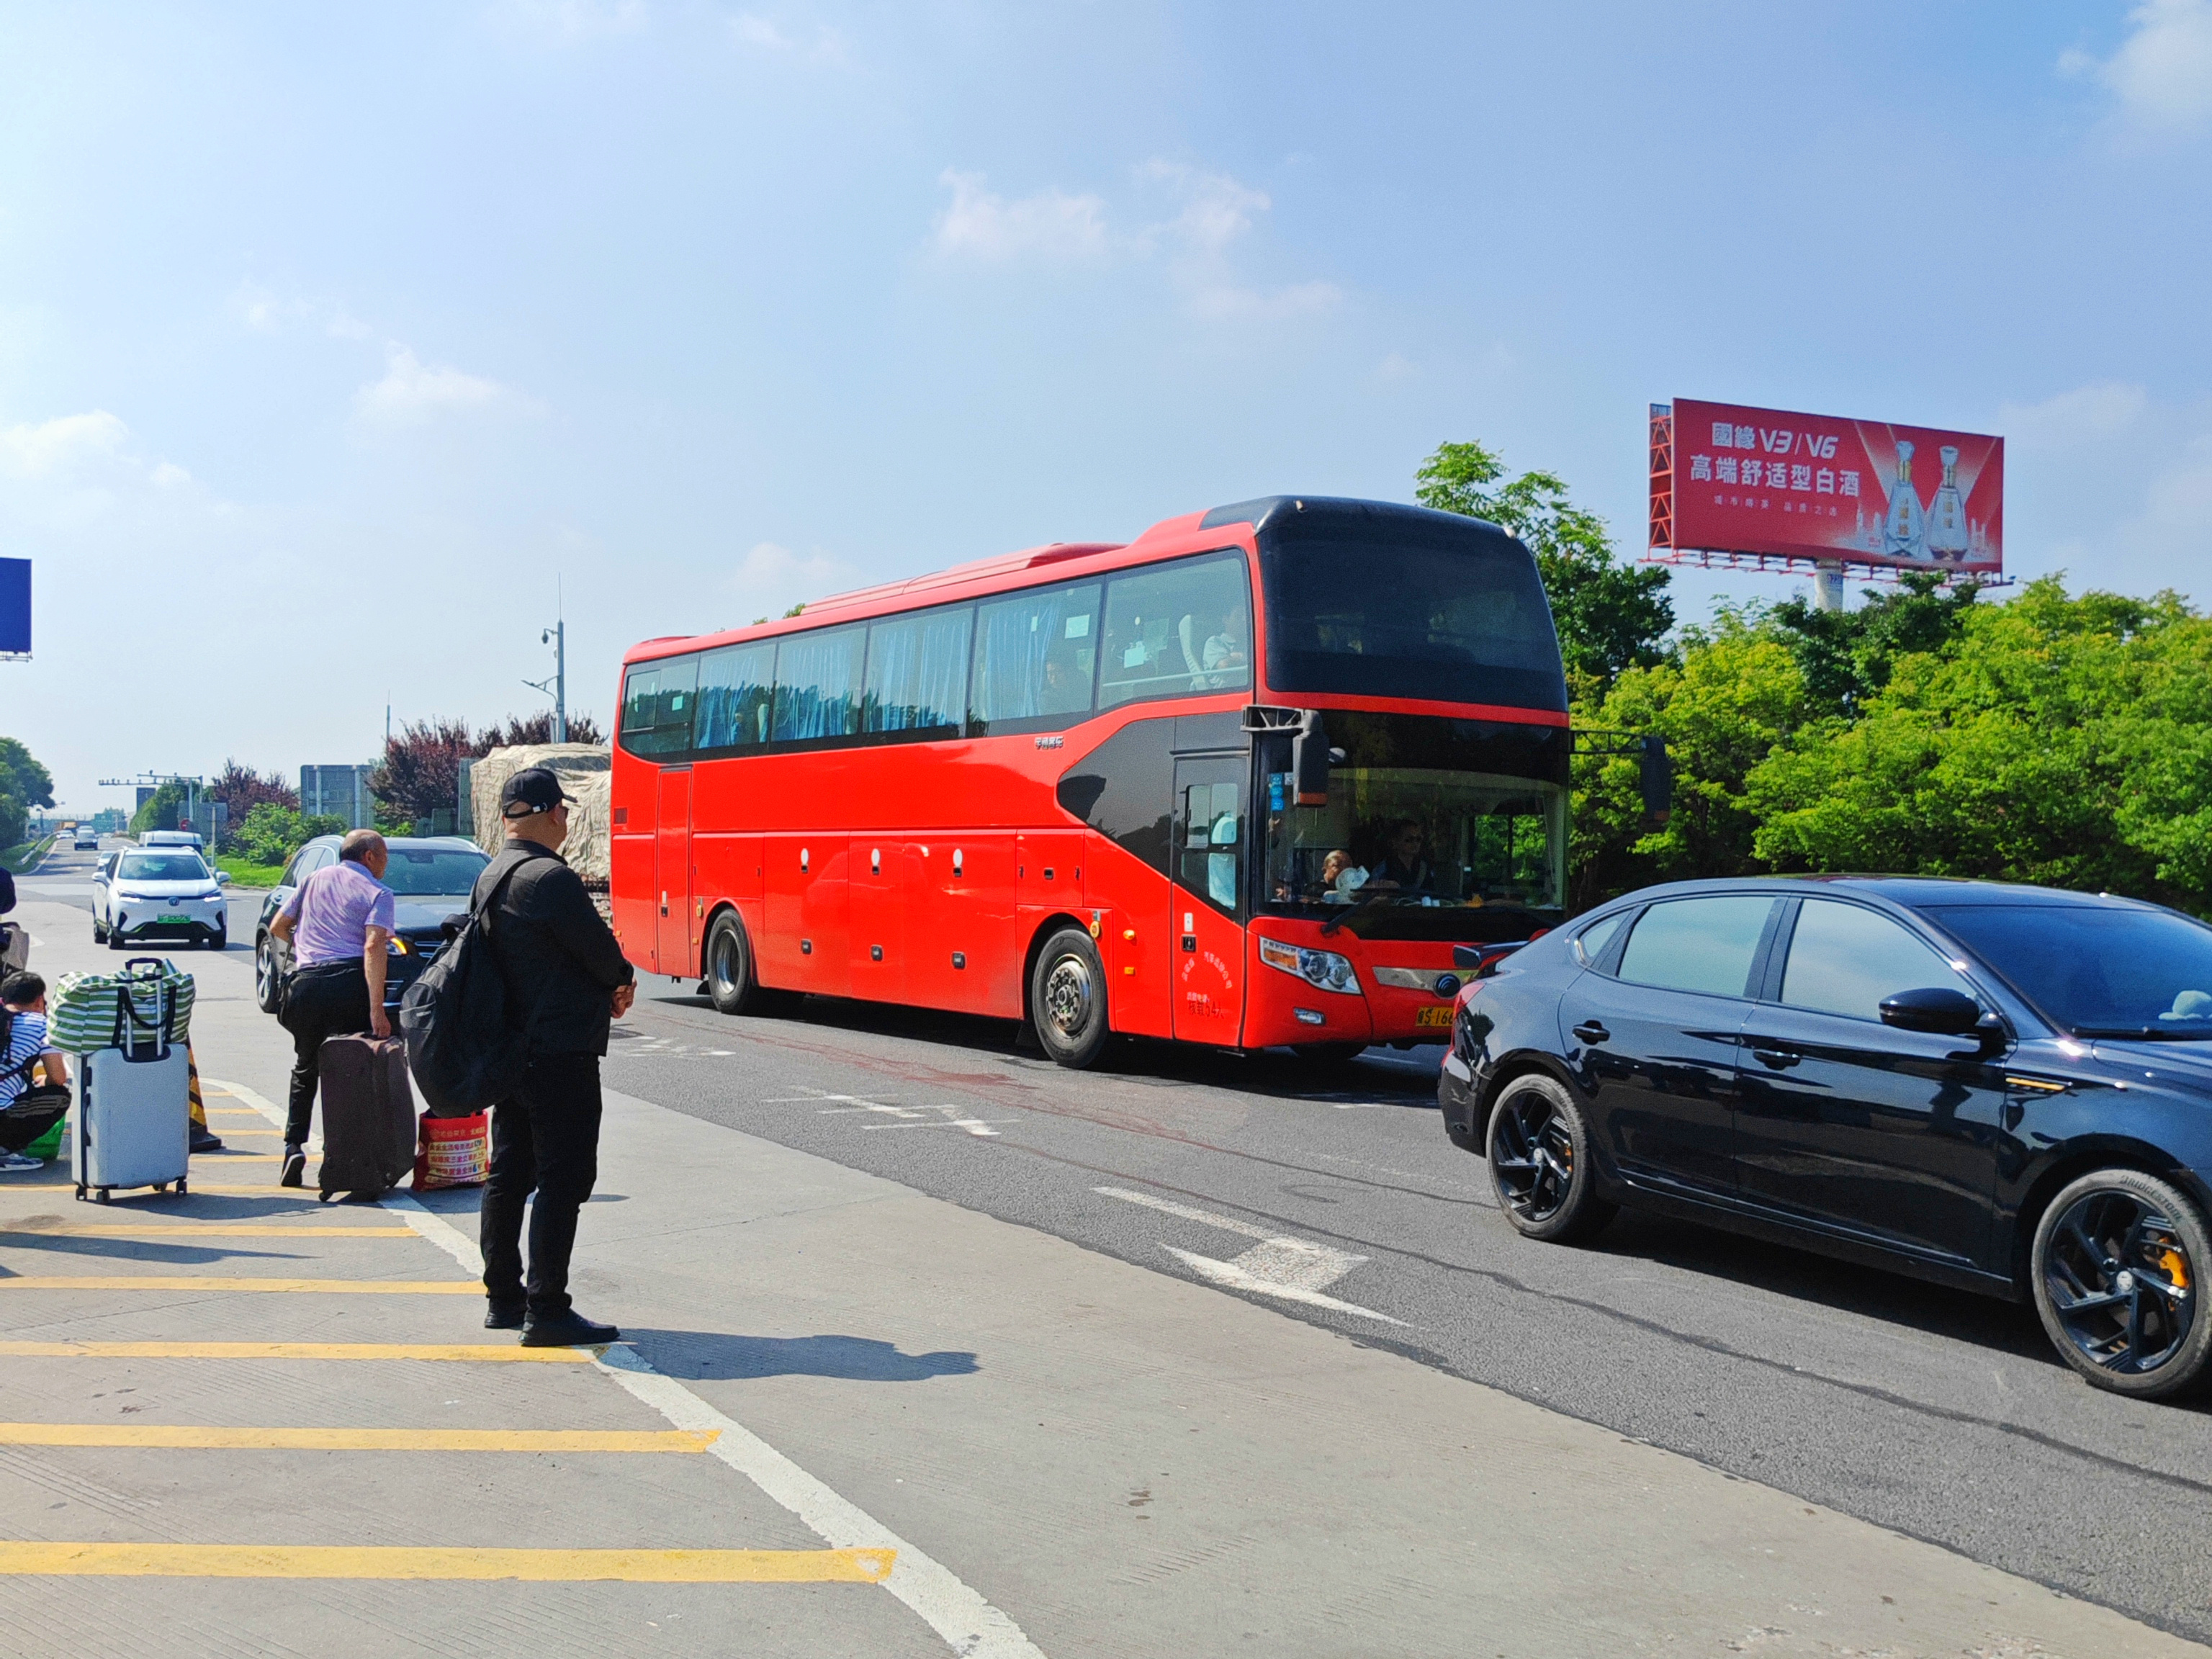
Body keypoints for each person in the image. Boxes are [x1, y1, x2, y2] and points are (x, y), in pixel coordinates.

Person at [475, 766, 637, 1347]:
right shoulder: (549, 878)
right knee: (564, 1177)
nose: (567, 820)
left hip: (512, 1050)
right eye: (564, 811)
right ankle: (547, 1306)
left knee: (509, 1172)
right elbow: (600, 951)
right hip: (559, 1050)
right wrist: (621, 981)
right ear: (549, 812)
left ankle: (503, 1296)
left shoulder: (493, 873)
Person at [269, 829, 394, 1187]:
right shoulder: (377, 892)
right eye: (384, 854)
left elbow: (280, 926)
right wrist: (377, 1010)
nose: (386, 862)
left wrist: (308, 949)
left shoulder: (311, 879)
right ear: (369, 856)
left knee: (306, 1067)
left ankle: (294, 1146)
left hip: (307, 986)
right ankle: (345, 1158)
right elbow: (373, 948)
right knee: (352, 1071)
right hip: (349, 985)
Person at [0, 971, 71, 1174]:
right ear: (39, 1000)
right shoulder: (41, 1025)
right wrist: (44, 1079)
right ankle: (4, 1152)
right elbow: (58, 1077)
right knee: (60, 1096)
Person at [1366, 820, 1434, 894]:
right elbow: (1373, 898)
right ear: (1395, 842)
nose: (1415, 844)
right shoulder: (1383, 870)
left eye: (1418, 839)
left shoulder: (1425, 868)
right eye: (1409, 840)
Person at [1200, 603, 1249, 685]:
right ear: (1226, 620)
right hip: (1228, 692)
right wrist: (1244, 657)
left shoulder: (1250, 642)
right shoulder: (1214, 642)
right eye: (1238, 616)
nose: (1244, 620)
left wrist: (1237, 657)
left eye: (1245, 616)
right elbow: (1224, 666)